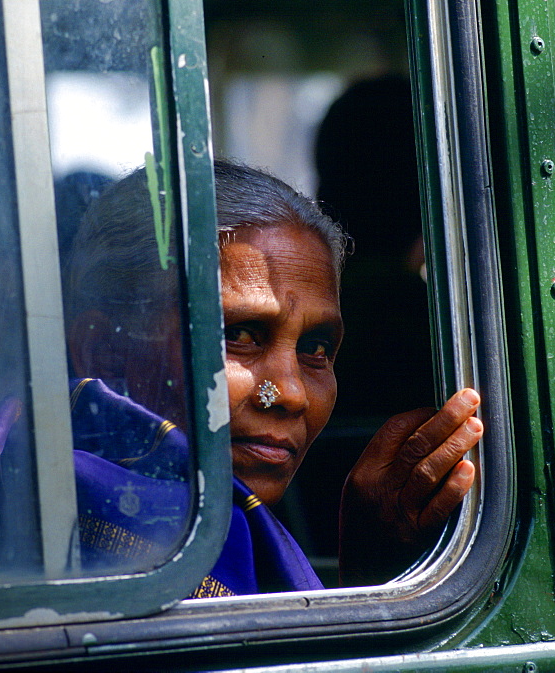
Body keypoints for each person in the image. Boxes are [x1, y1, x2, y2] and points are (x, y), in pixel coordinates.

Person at [66, 160, 481, 590]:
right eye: (240, 334)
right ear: (106, 352)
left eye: (315, 349)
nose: (290, 394)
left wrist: (375, 578)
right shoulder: (70, 520)